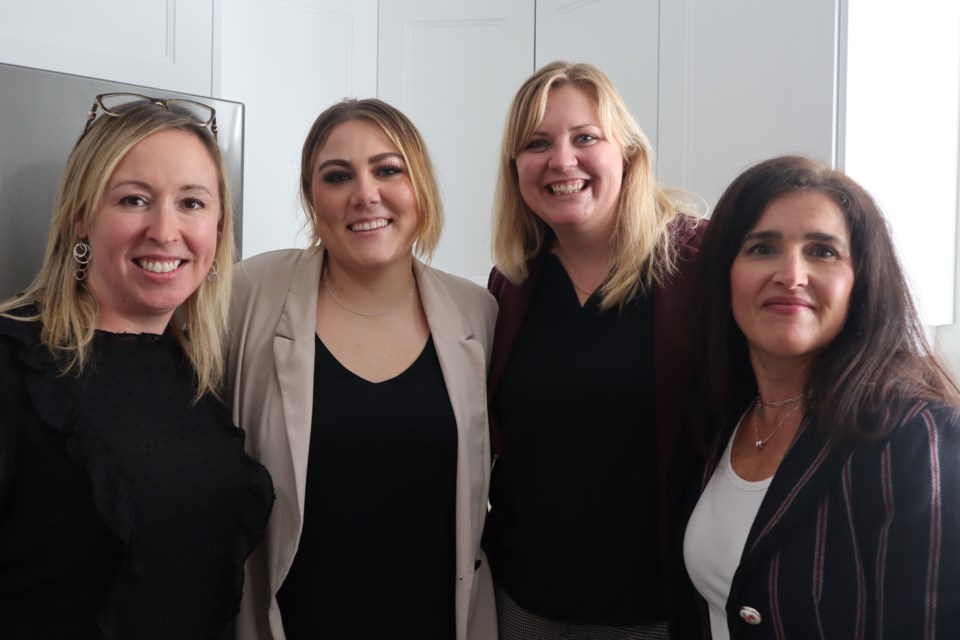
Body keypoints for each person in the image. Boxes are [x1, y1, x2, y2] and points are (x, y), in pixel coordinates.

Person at [0, 94, 274, 638]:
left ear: (219, 232)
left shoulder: (200, 373)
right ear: (81, 218)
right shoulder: (12, 364)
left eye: (192, 204)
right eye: (133, 200)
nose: (165, 231)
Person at [227, 97, 499, 640]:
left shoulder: (478, 312)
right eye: (337, 176)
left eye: (388, 169)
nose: (365, 194)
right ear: (312, 198)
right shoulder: (249, 295)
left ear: (419, 185)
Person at [673, 154, 960, 639]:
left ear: (861, 282)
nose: (791, 274)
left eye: (823, 252)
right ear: (725, 274)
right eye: (762, 248)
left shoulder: (915, 435)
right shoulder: (725, 413)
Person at [482, 60, 705, 640]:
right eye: (537, 143)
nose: (562, 160)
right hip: (524, 602)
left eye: (585, 137)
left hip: (659, 608)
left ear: (627, 153)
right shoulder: (511, 283)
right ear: (517, 170)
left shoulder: (696, 263)